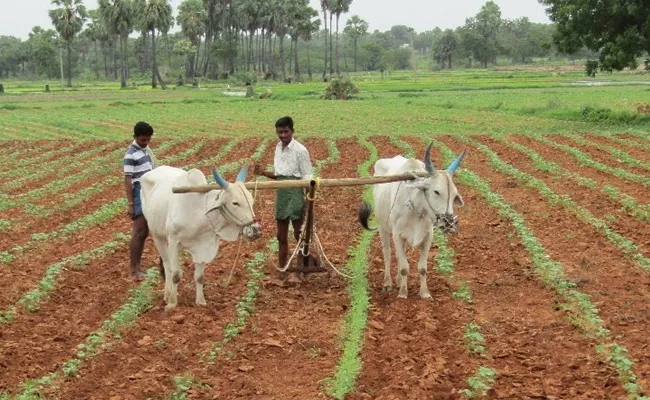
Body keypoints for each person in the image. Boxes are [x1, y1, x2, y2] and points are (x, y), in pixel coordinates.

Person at [254, 116, 313, 279]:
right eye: (280, 132)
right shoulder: (278, 148)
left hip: (295, 192)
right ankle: (282, 270)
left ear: (292, 131)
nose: (283, 135)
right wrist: (263, 173)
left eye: (286, 132)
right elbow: (280, 175)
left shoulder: (300, 150)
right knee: (281, 235)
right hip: (281, 192)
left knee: (299, 234)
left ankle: (301, 270)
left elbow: (308, 178)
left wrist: (308, 203)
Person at [123, 121, 158, 281]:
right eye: (143, 140)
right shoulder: (131, 154)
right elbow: (128, 180)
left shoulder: (145, 151)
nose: (146, 143)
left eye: (148, 140)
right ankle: (134, 270)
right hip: (139, 192)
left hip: (148, 191)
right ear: (135, 137)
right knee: (139, 231)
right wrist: (131, 204)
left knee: (144, 232)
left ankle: (138, 268)